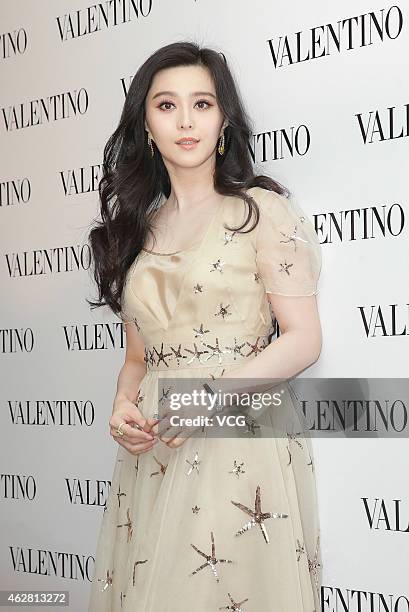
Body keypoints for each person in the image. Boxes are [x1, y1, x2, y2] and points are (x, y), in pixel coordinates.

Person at [86, 41, 323, 612]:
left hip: (234, 433)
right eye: (166, 105)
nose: (186, 120)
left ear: (224, 120)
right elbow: (138, 360)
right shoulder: (134, 232)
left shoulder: (260, 212)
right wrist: (121, 407)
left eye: (203, 103)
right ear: (145, 122)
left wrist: (206, 401)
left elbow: (304, 339)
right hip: (156, 448)